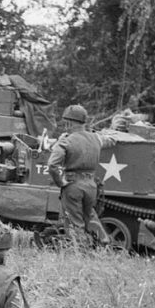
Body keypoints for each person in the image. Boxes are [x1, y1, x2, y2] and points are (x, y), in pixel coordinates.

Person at [47, 104, 116, 246]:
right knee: (89, 216)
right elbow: (111, 140)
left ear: (68, 123)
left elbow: (52, 165)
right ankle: (104, 242)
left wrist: (60, 182)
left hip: (73, 185)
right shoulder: (96, 138)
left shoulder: (66, 140)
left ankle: (79, 250)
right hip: (91, 186)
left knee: (74, 222)